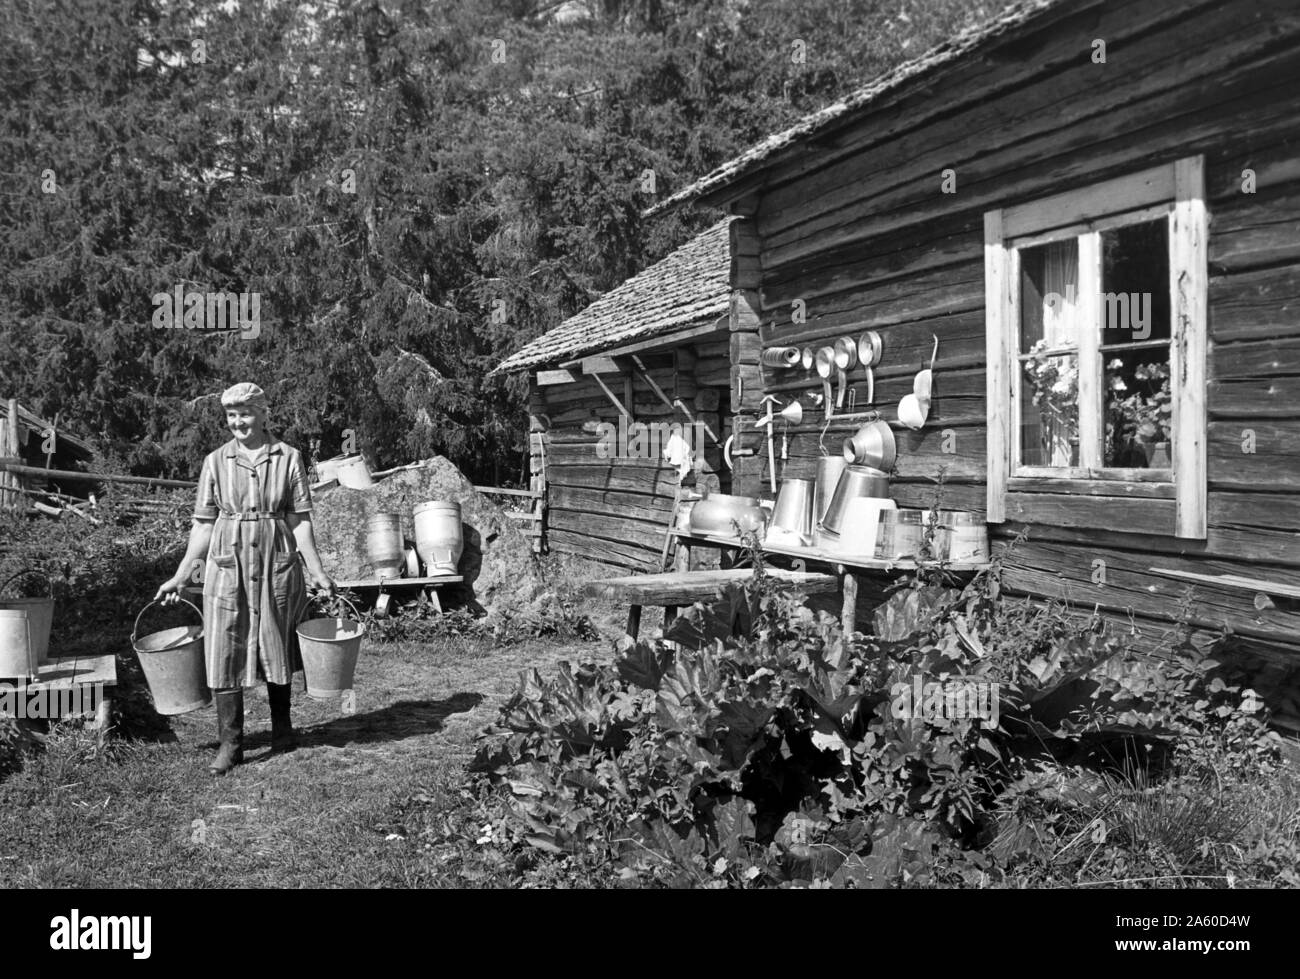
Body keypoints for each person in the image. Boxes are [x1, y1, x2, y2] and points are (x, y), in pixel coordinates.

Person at [155, 383, 335, 775]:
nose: (238, 422)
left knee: (278, 639)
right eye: (231, 415)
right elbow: (203, 525)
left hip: (276, 557)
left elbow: (299, 520)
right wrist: (182, 574)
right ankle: (231, 743)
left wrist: (317, 571)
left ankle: (283, 730)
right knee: (224, 642)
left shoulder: (289, 458)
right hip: (227, 562)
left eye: (245, 413)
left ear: (263, 413)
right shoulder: (215, 462)